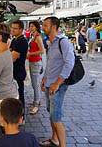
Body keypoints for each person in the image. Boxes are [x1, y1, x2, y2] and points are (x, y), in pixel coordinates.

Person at [39, 17, 74, 147]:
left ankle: (62, 145)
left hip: (57, 86)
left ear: (53, 27)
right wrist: (44, 80)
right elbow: (50, 65)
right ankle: (54, 139)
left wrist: (57, 83)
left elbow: (69, 63)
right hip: (49, 84)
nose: (43, 27)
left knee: (56, 117)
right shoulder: (51, 43)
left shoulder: (63, 42)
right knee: (51, 113)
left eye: (45, 25)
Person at [10, 20, 28, 120]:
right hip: (14, 71)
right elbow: (9, 52)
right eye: (12, 28)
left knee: (19, 95)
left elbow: (12, 57)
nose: (12, 30)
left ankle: (21, 116)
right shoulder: (14, 40)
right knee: (16, 94)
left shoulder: (22, 41)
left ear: (21, 30)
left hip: (18, 72)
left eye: (15, 28)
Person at [26, 21, 44, 115]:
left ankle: (36, 104)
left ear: (37, 27)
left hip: (36, 62)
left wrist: (30, 54)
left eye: (32, 26)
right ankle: (36, 100)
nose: (31, 28)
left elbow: (42, 51)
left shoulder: (38, 38)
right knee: (34, 84)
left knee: (36, 84)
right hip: (32, 61)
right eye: (30, 26)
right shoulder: (34, 37)